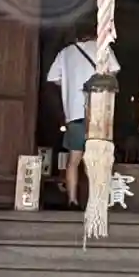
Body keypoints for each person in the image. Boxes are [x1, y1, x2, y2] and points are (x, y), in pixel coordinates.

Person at [46, 27, 101, 208]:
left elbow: (53, 78)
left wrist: (68, 84)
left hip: (74, 111)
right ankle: (95, 200)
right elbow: (114, 71)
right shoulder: (101, 48)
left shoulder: (65, 53)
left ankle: (72, 200)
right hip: (99, 111)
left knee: (73, 160)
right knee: (96, 159)